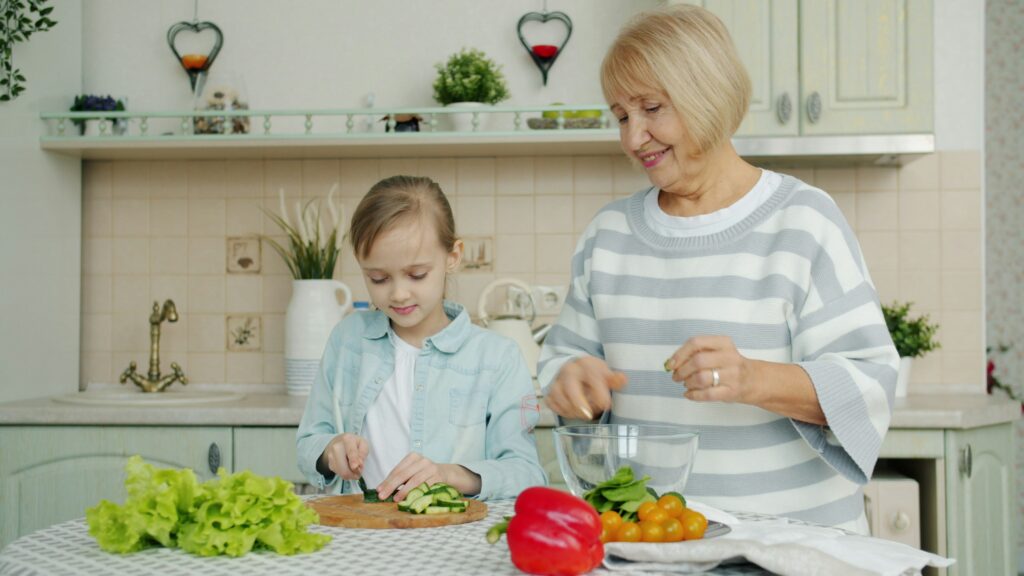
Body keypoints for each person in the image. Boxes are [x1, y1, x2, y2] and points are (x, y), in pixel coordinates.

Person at [539, 5, 897, 533]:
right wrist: (570, 383)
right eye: (621, 116)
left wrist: (753, 377)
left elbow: (870, 385)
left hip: (795, 549)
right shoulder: (607, 236)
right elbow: (561, 362)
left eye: (652, 108)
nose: (633, 138)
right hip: (654, 546)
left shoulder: (804, 221)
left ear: (706, 93)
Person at [297, 175, 546, 501]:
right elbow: (308, 442)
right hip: (359, 532)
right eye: (378, 278)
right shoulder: (348, 340)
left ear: (453, 256)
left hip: (450, 539)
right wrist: (331, 451)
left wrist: (452, 474)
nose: (398, 294)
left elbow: (527, 473)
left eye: (417, 275)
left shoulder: (496, 357)